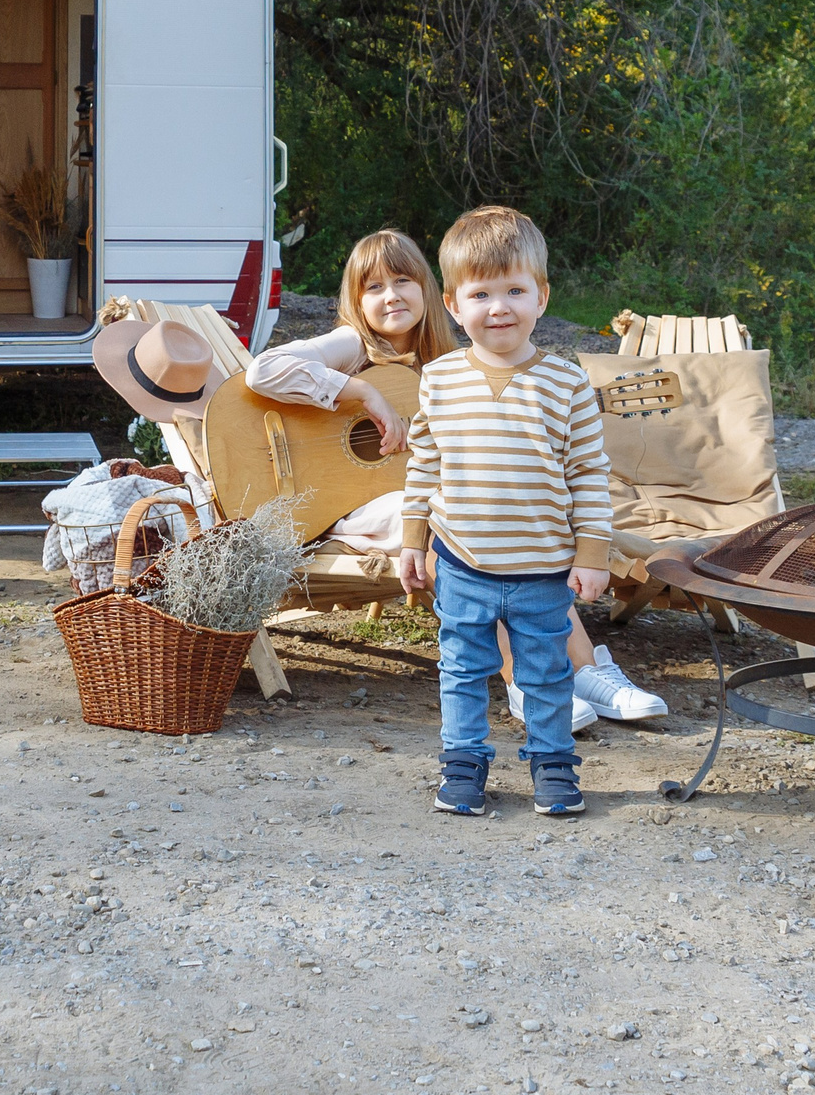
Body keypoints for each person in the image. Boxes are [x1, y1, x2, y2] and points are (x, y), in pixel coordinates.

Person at [248, 228, 663, 737]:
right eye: (372, 287)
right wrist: (362, 394)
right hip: (348, 506)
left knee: (512, 521)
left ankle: (590, 673)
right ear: (355, 300)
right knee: (465, 520)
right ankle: (523, 682)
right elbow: (262, 371)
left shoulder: (450, 359)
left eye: (402, 280)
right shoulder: (353, 343)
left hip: (419, 499)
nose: (391, 296)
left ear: (429, 290)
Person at [398, 207, 621, 817]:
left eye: (515, 291)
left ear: (542, 297)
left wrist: (593, 553)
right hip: (462, 561)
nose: (500, 307)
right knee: (462, 670)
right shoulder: (439, 379)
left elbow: (588, 473)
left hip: (543, 568)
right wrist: (412, 540)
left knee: (546, 676)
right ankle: (464, 765)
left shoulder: (565, 383)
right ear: (452, 303)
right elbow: (424, 464)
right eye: (481, 293)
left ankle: (553, 766)